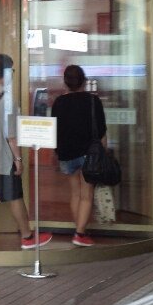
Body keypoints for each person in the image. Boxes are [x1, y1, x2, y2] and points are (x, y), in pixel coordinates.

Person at [0, 54, 52, 250]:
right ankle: (27, 237)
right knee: (15, 197)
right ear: (7, 73)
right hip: (3, 159)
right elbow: (11, 136)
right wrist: (18, 158)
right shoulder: (7, 100)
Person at [51, 65, 107, 247]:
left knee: (75, 193)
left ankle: (79, 230)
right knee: (86, 195)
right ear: (84, 81)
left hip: (66, 154)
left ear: (66, 82)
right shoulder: (92, 101)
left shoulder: (59, 102)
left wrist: (56, 154)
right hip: (88, 154)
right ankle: (80, 234)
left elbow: (55, 131)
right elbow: (101, 130)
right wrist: (104, 153)